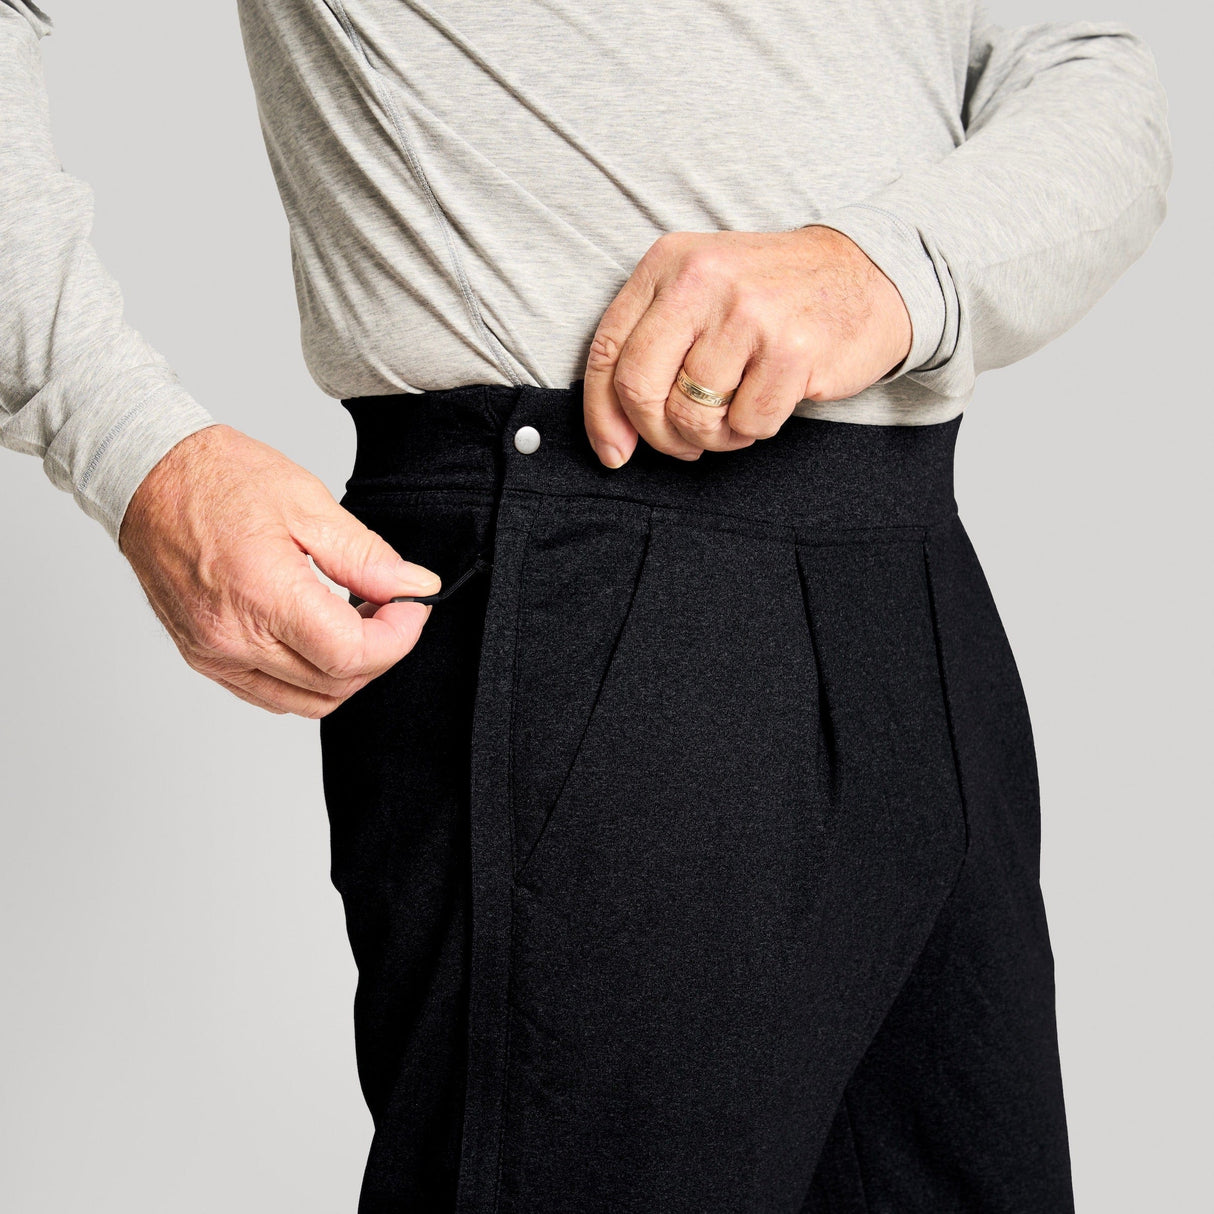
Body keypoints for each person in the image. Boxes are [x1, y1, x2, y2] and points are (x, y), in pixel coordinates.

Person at [0, 1, 1172, 1210]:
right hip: (587, 564)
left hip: (915, 585)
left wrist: (884, 266)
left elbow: (1085, 66)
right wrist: (130, 442)